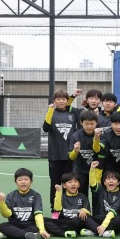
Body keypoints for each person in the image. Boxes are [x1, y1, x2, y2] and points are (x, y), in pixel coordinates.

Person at [43, 88, 78, 216]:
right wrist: (50, 110)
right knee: (55, 184)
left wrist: (73, 96)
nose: (61, 101)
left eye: (64, 99)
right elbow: (46, 128)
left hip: (70, 156)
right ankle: (55, 209)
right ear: (54, 101)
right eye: (58, 99)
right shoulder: (52, 113)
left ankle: (69, 208)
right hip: (55, 156)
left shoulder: (72, 114)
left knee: (70, 184)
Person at [0, 168, 50, 239]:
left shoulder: (36, 195)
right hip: (15, 223)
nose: (23, 182)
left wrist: (42, 230)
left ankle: (9, 235)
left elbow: (38, 214)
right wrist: (1, 203)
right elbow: (7, 214)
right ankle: (29, 235)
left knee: (41, 224)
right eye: (20, 180)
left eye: (26, 179)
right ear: (16, 182)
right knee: (2, 226)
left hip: (30, 224)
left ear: (31, 181)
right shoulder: (10, 196)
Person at [80, 161, 120, 238]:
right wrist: (92, 169)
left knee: (119, 220)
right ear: (104, 182)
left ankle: (94, 231)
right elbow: (93, 184)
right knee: (84, 216)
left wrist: (103, 226)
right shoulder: (100, 190)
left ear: (118, 183)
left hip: (110, 220)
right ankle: (103, 233)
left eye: (114, 179)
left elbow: (111, 213)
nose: (111, 181)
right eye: (108, 179)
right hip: (98, 218)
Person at [44, 172, 90, 238]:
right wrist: (58, 192)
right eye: (70, 182)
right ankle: (65, 233)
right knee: (44, 220)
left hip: (75, 222)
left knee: (77, 221)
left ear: (79, 185)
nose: (73, 184)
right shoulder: (61, 196)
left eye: (75, 181)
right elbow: (57, 209)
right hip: (63, 221)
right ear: (64, 185)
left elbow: (88, 211)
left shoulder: (83, 197)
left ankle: (57, 231)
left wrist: (84, 210)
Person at [68, 110, 99, 198]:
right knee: (81, 194)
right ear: (81, 123)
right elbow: (71, 157)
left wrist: (97, 139)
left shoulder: (99, 134)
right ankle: (83, 211)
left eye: (92, 124)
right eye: (86, 124)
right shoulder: (76, 136)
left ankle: (97, 211)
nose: (89, 126)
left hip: (96, 170)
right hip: (80, 169)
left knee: (97, 193)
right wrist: (75, 151)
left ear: (96, 123)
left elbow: (99, 151)